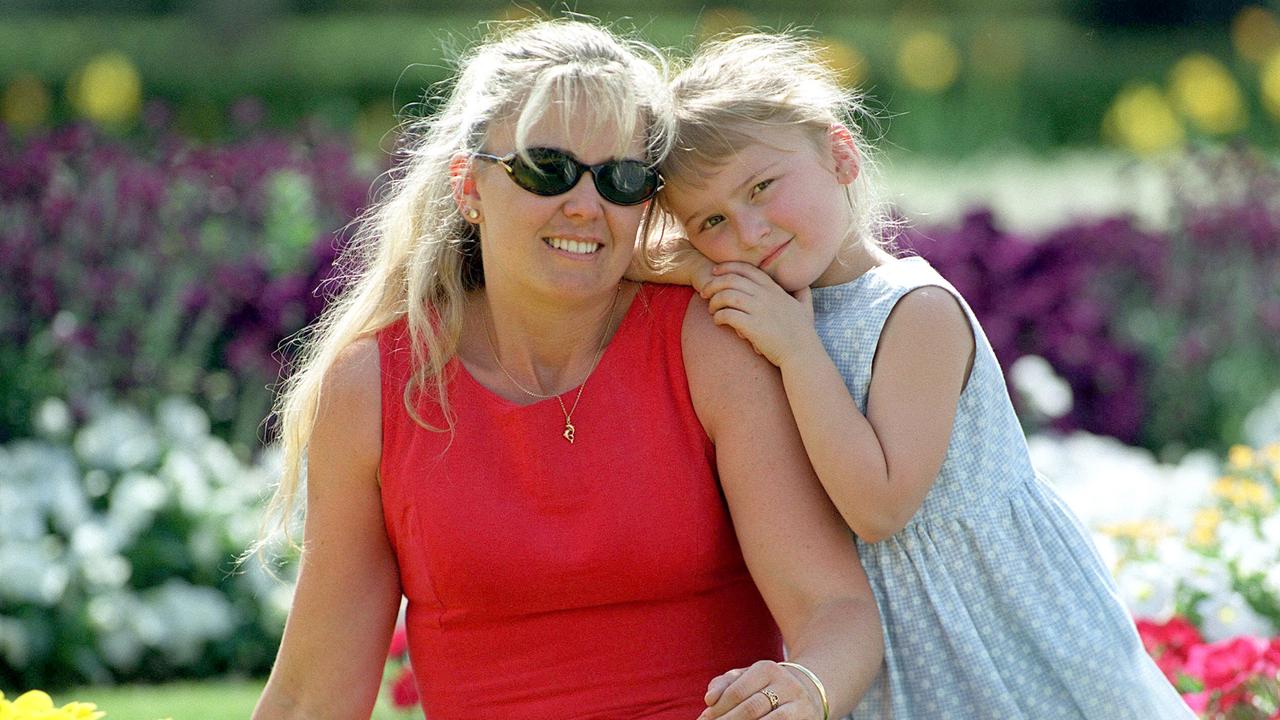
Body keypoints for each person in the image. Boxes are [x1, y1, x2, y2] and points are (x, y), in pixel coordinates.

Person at [251, 20, 883, 720]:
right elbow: (312, 697)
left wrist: (806, 690)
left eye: (620, 179)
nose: (585, 205)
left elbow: (837, 610)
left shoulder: (710, 346)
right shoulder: (375, 386)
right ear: (469, 186)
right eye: (545, 168)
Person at [645, 32, 1197, 719]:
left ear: (840, 154)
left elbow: (878, 507)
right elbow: (619, 255)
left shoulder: (913, 312)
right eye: (713, 220)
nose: (750, 231)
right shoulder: (768, 298)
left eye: (762, 186)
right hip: (885, 643)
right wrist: (701, 266)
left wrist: (796, 352)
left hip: (1002, 631)